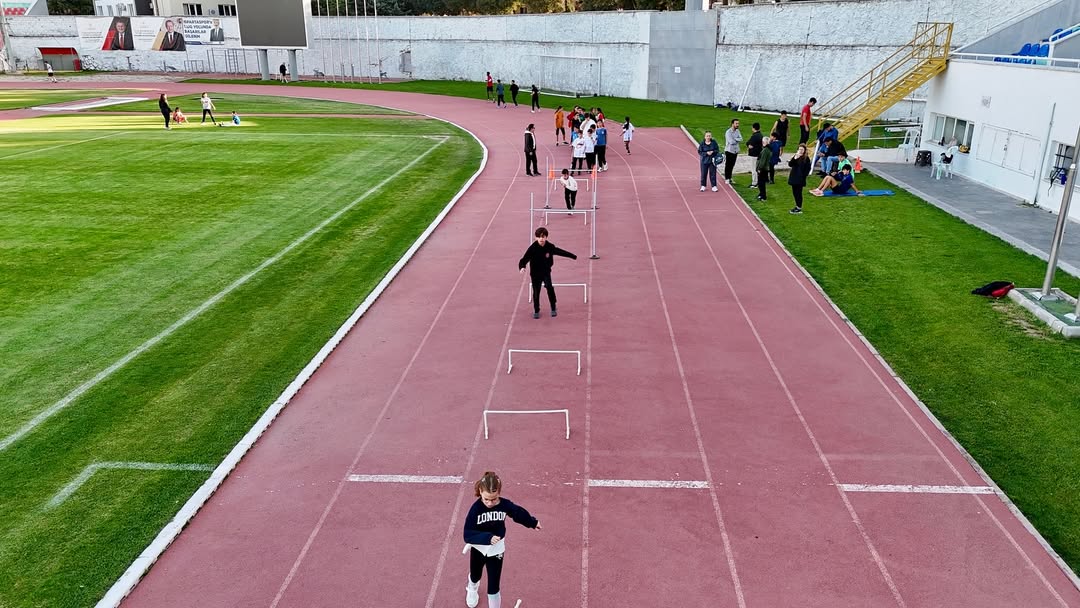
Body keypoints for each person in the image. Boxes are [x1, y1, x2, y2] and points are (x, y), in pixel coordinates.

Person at [463, 471, 541, 608]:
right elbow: (467, 534)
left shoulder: (504, 505)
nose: (489, 503)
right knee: (475, 574)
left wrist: (532, 522)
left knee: (494, 585)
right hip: (478, 547)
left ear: (499, 492)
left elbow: (517, 513)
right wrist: (487, 538)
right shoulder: (475, 509)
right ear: (480, 491)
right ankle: (472, 587)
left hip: (497, 550)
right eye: (486, 499)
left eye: (493, 499)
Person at [518, 227, 577, 318]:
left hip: (546, 272)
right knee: (536, 292)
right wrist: (522, 267)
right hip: (535, 273)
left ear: (546, 237)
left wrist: (572, 256)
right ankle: (536, 310)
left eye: (543, 237)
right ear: (536, 238)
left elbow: (560, 251)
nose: (541, 239)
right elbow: (524, 259)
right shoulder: (532, 248)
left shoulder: (549, 246)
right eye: (539, 237)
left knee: (549, 287)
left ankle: (553, 307)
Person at [788, 143, 812, 214]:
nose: (800, 151)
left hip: (800, 179)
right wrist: (795, 158)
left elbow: (807, 169)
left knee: (798, 193)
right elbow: (790, 164)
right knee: (794, 193)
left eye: (802, 149)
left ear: (804, 150)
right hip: (794, 177)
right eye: (799, 149)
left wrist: (803, 176)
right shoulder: (796, 156)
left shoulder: (806, 158)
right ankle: (797, 205)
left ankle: (799, 207)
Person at [723, 118, 742, 185]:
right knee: (728, 165)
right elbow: (731, 142)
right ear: (732, 124)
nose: (737, 125)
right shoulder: (728, 132)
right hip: (729, 150)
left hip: (735, 151)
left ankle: (730, 178)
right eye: (736, 123)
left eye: (738, 123)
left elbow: (741, 139)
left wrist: (735, 139)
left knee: (732, 165)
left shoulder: (738, 131)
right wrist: (737, 140)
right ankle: (727, 178)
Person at [755, 135, 772, 201]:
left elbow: (763, 160)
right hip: (764, 169)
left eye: (763, 142)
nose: (762, 143)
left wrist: (759, 169)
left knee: (761, 183)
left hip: (763, 169)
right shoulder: (767, 149)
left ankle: (763, 196)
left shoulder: (765, 150)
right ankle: (761, 194)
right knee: (761, 183)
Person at [746, 122, 763, 188]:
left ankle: (754, 183)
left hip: (754, 155)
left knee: (754, 169)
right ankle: (758, 182)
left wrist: (749, 145)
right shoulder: (760, 135)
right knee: (757, 169)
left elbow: (748, 142)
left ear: (753, 128)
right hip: (759, 154)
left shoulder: (755, 136)